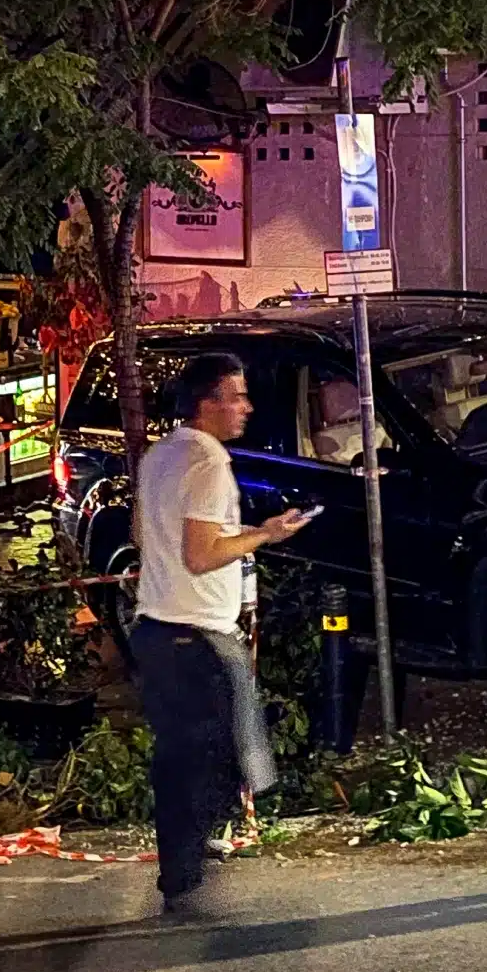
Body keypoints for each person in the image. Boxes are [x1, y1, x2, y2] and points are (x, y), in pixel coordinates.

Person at [130, 352, 310, 915]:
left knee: (189, 754)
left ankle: (186, 856)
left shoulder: (161, 453)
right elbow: (202, 554)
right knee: (215, 755)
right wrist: (265, 535)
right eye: (236, 396)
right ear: (207, 403)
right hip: (195, 637)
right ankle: (182, 876)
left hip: (156, 630)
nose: (247, 407)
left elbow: (141, 534)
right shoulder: (208, 463)